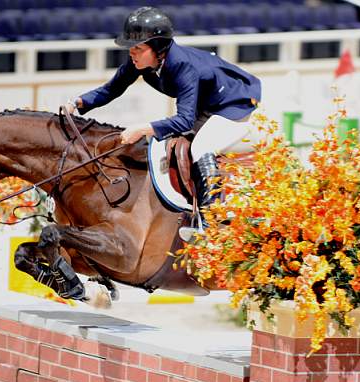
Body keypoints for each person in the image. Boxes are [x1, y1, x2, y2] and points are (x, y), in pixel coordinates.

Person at [65, 6, 262, 221]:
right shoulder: (141, 62)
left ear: (158, 48)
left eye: (138, 48)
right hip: (207, 108)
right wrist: (77, 103)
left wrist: (142, 129)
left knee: (201, 147)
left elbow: (185, 120)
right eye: (131, 47)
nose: (131, 53)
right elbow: (112, 89)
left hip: (234, 106)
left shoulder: (183, 65)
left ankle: (212, 219)